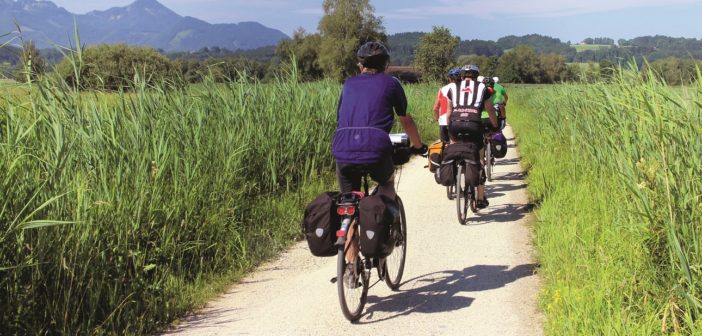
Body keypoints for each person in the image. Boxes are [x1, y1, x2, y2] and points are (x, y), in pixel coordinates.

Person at [332, 41, 426, 278]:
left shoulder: (348, 84)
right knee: (387, 183)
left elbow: (340, 118)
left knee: (348, 206)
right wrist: (419, 146)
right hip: (376, 149)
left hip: (343, 148)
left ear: (360, 65)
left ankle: (351, 268)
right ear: (385, 65)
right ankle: (382, 238)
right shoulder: (391, 84)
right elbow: (406, 120)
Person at [446, 64, 498, 209]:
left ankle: (456, 171)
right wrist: (495, 125)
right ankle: (480, 198)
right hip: (474, 125)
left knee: (455, 148)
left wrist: (449, 128)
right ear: (476, 76)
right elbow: (489, 109)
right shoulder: (483, 88)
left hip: (455, 125)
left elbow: (449, 112)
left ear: (462, 76)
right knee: (480, 158)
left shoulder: (453, 87)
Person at [432, 68, 461, 143]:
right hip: (460, 122)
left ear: (449, 79)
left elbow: (435, 108)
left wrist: (437, 118)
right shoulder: (464, 89)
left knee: (445, 145)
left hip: (444, 121)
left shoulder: (442, 89)